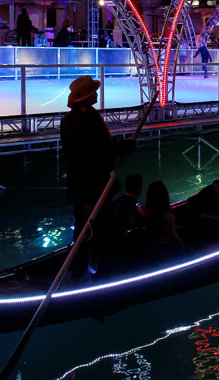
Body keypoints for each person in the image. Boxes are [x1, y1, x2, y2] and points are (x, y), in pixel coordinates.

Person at [60, 75, 134, 275]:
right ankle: (103, 270)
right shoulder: (88, 120)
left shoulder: (69, 120)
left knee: (83, 227)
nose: (97, 93)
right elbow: (100, 150)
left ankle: (78, 267)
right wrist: (124, 147)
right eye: (94, 91)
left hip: (79, 186)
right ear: (87, 97)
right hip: (93, 186)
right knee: (99, 227)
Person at [137, 180, 183, 247]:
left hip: (151, 244)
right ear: (164, 195)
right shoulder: (167, 215)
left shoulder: (142, 210)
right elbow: (173, 235)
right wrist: (182, 246)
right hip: (165, 243)